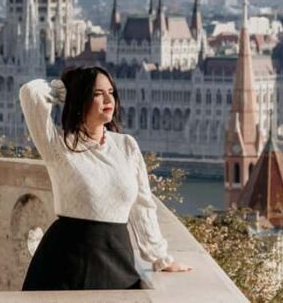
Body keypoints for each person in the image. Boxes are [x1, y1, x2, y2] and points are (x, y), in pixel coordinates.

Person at [19, 65, 192, 291]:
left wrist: (160, 258)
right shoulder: (59, 146)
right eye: (97, 94)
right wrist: (64, 89)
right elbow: (30, 93)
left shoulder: (126, 146)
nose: (108, 100)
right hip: (65, 261)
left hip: (117, 258)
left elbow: (143, 206)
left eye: (111, 92)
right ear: (80, 99)